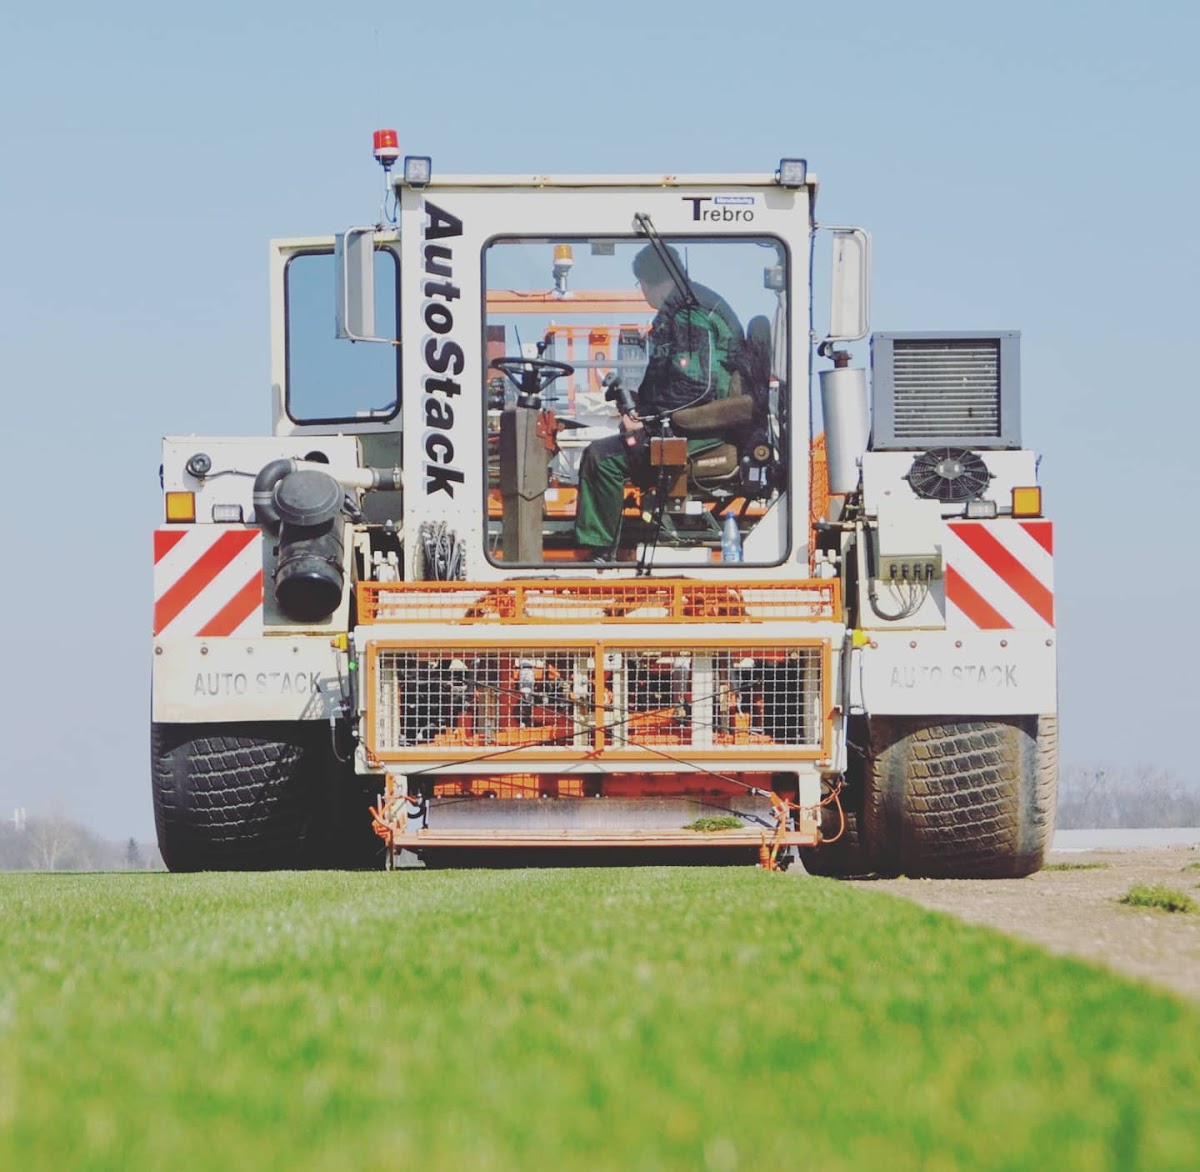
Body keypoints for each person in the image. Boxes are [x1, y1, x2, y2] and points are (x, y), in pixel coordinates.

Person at [574, 244, 744, 558]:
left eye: (640, 285)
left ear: (649, 282)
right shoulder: (690, 307)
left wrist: (645, 421)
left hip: (699, 432)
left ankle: (598, 557)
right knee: (612, 449)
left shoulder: (690, 316)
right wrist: (638, 405)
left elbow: (697, 388)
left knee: (601, 458)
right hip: (697, 424)